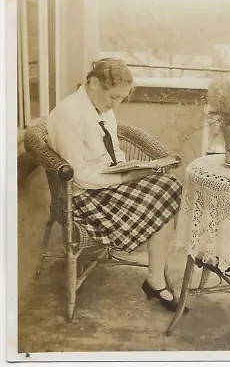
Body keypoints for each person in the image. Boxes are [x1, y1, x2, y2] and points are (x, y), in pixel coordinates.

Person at [47, 58, 187, 313]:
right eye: (113, 97)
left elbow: (113, 149)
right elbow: (79, 176)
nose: (115, 104)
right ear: (93, 83)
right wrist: (122, 179)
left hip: (106, 181)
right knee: (165, 193)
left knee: (168, 187)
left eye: (121, 98)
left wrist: (128, 166)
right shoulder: (69, 115)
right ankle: (155, 281)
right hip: (84, 196)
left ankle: (154, 279)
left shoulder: (101, 107)